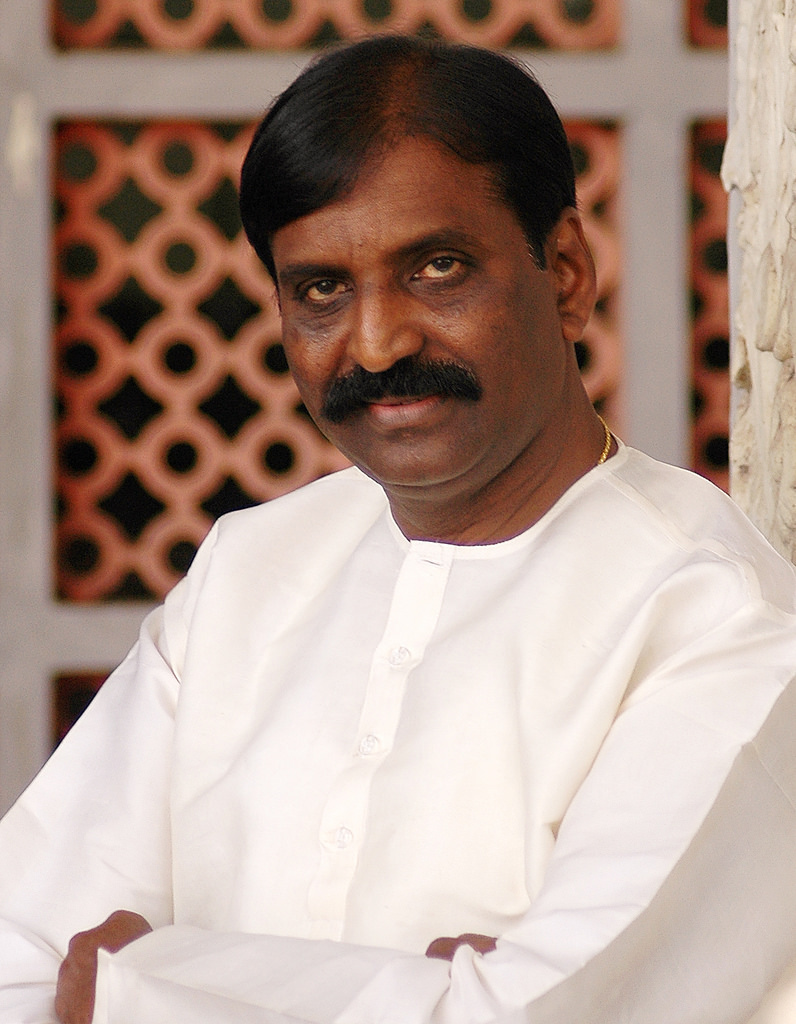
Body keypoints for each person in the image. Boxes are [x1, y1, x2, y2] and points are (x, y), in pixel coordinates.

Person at [1, 34, 796, 1024]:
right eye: (321, 290)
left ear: (564, 274)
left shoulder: (715, 619)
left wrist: (138, 991)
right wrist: (416, 992)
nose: (376, 343)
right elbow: (18, 955)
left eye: (437, 268)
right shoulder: (249, 573)